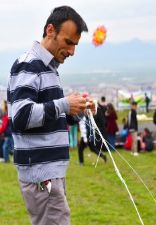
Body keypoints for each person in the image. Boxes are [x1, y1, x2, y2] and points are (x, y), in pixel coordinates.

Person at [7, 6, 93, 225]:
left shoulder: (49, 68)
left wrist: (79, 110)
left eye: (75, 45)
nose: (72, 51)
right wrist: (64, 104)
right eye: (69, 42)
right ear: (50, 30)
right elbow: (21, 117)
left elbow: (51, 117)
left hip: (48, 173)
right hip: (40, 175)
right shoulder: (29, 64)